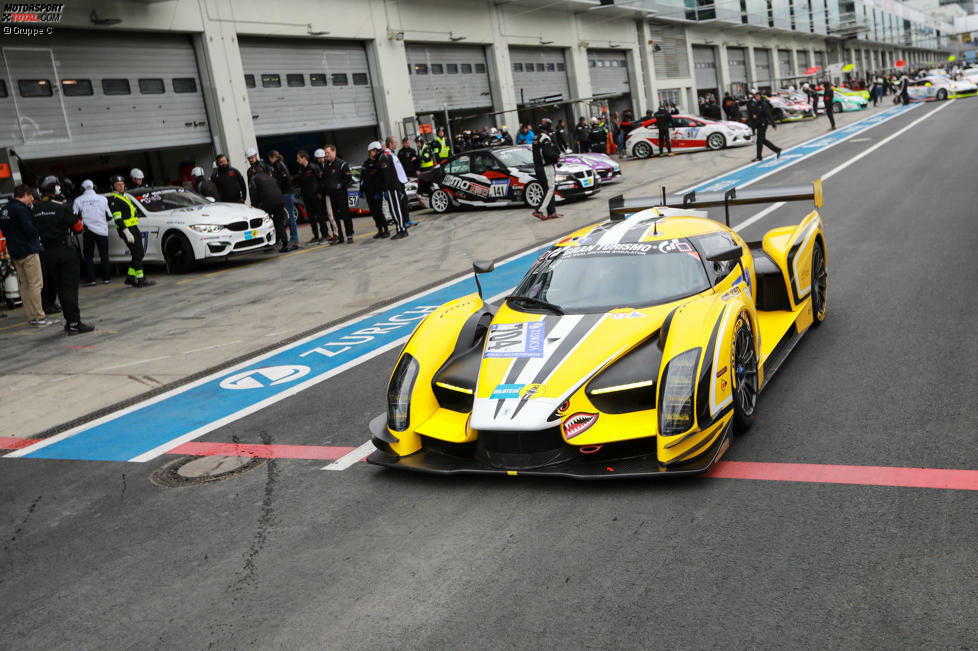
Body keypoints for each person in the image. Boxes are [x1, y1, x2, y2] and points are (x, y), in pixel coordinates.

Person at [32, 176, 94, 334]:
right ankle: (74, 322)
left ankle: (69, 321)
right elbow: (79, 227)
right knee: (70, 289)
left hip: (48, 253)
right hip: (65, 251)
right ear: (55, 189)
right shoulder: (62, 207)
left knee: (60, 289)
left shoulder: (36, 209)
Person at [0, 184, 53, 327]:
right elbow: (30, 230)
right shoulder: (21, 209)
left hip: (15, 252)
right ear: (26, 195)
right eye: (31, 197)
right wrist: (39, 231)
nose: (32, 200)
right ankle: (39, 317)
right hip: (28, 250)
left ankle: (32, 316)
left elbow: (5, 232)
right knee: (36, 284)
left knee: (25, 285)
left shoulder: (5, 209)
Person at [107, 175, 155, 288]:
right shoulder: (114, 200)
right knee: (137, 253)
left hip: (134, 227)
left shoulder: (125, 196)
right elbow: (118, 219)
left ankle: (130, 277)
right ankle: (140, 279)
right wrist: (126, 232)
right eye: (118, 185)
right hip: (127, 230)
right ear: (113, 187)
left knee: (140, 253)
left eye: (122, 184)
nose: (121, 186)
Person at [72, 180, 113, 286]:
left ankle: (91, 280)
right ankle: (107, 278)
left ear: (82, 189)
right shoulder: (102, 199)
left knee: (88, 255)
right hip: (102, 230)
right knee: (104, 254)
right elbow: (109, 216)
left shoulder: (78, 200)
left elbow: (74, 217)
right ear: (94, 187)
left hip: (88, 230)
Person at [248, 165, 290, 253]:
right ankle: (285, 244)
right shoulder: (270, 177)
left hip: (267, 202)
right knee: (279, 223)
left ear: (253, 173)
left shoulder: (254, 179)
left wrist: (255, 208)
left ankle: (267, 244)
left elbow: (254, 194)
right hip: (280, 200)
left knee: (264, 223)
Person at [322, 145, 355, 244]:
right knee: (335, 217)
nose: (326, 155)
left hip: (341, 195)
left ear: (334, 152)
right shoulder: (326, 165)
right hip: (331, 196)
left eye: (328, 152)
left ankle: (349, 235)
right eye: (325, 153)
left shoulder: (342, 164)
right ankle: (339, 236)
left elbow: (348, 178)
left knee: (345, 216)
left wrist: (340, 186)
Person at [377, 140, 409, 240]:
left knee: (396, 209)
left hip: (392, 187)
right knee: (395, 209)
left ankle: (402, 230)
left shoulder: (384, 157)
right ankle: (400, 228)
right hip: (392, 186)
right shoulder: (386, 156)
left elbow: (386, 175)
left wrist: (385, 189)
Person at [295, 150, 328, 244]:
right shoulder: (300, 168)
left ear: (304, 158)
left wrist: (320, 193)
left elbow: (321, 181)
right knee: (311, 217)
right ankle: (316, 236)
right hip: (306, 197)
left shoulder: (314, 167)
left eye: (298, 158)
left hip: (315, 196)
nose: (297, 160)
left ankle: (325, 235)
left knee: (320, 216)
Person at [267, 150, 298, 249]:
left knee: (290, 217)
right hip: (285, 193)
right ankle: (290, 239)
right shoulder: (278, 165)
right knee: (288, 217)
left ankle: (294, 239)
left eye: (269, 159)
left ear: (272, 157)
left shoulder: (279, 165)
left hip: (287, 194)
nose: (270, 161)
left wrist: (276, 186)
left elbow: (285, 180)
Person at [531, 121, 560, 220]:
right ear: (547, 129)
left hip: (538, 167)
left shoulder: (536, 138)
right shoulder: (545, 138)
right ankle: (538, 210)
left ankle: (552, 212)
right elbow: (547, 153)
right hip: (545, 167)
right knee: (550, 189)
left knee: (547, 189)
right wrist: (557, 157)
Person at [385, 136, 415, 228]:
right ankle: (402, 222)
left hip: (401, 181)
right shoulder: (387, 154)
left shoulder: (393, 153)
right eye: (395, 142)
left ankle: (407, 219)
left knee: (404, 201)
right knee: (399, 203)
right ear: (390, 143)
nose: (396, 144)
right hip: (396, 182)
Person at [360, 143, 389, 239]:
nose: (371, 153)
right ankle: (379, 230)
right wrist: (361, 190)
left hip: (377, 192)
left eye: (372, 151)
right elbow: (362, 179)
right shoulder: (365, 164)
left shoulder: (378, 163)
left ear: (376, 150)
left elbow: (380, 179)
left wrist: (379, 191)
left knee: (379, 211)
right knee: (373, 212)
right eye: (370, 151)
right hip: (368, 193)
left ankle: (386, 229)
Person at [314, 148, 341, 244]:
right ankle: (335, 234)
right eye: (318, 158)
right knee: (329, 215)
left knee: (332, 215)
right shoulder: (320, 167)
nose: (320, 160)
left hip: (330, 194)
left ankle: (337, 234)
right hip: (325, 194)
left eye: (321, 157)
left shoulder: (328, 166)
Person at [746, 91, 782, 162]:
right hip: (759, 124)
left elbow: (769, 115)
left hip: (763, 124)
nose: (756, 98)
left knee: (759, 141)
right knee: (763, 140)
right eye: (755, 96)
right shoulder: (756, 104)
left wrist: (773, 124)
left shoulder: (764, 104)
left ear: (760, 96)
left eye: (758, 96)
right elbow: (753, 111)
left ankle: (759, 157)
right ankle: (777, 149)